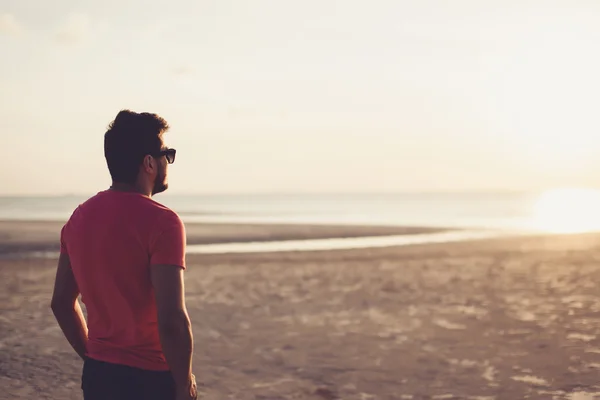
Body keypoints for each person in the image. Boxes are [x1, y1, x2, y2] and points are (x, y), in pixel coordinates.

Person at [50, 110, 197, 400]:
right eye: (166, 154)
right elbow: (172, 319)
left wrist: (93, 357)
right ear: (148, 163)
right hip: (151, 378)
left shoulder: (78, 218)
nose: (168, 162)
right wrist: (183, 383)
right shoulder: (163, 222)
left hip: (99, 376)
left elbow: (61, 303)